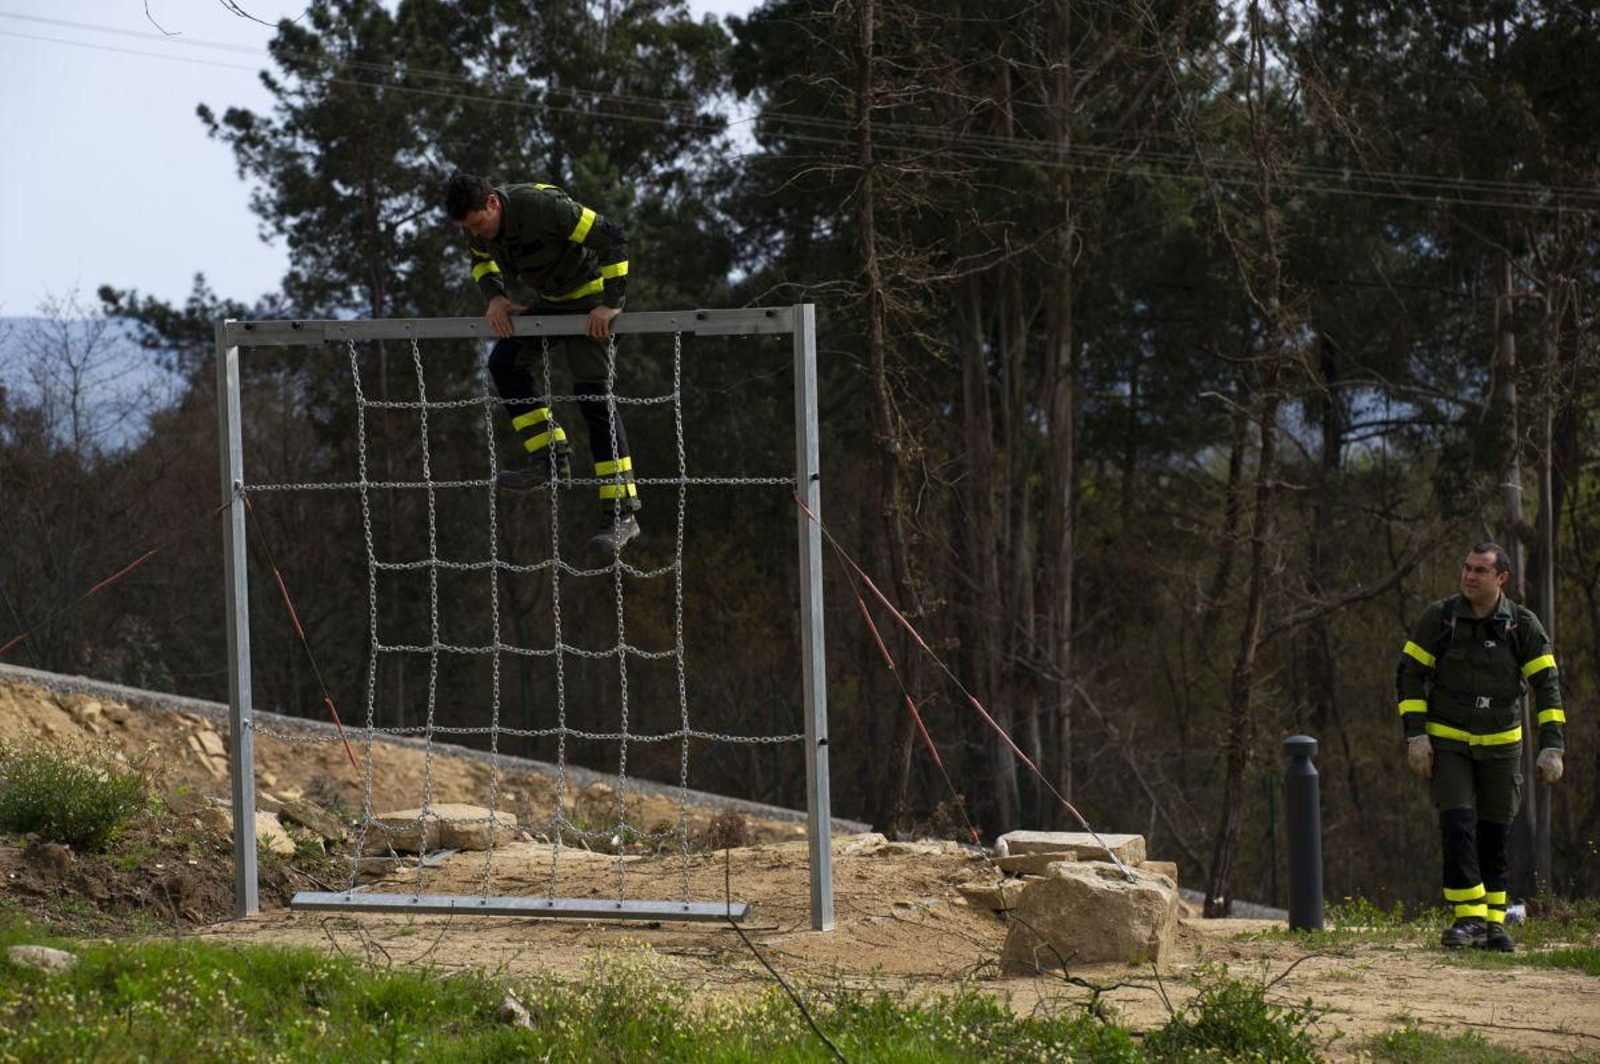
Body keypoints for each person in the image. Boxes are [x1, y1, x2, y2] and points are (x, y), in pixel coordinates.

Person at [444, 171, 641, 555]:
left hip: (591, 307)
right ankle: (550, 458)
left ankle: (622, 513)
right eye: (468, 228)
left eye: (480, 224)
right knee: (504, 364)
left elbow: (612, 236)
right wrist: (496, 298)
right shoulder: (475, 229)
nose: (477, 234)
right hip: (549, 306)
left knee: (593, 398)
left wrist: (611, 302)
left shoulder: (543, 206)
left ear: (493, 203)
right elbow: (482, 262)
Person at [1395, 542, 1566, 952]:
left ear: (1501, 579)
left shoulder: (1521, 625)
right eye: (1466, 568)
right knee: (1457, 826)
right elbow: (1409, 675)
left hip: (1502, 744)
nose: (1469, 576)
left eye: (1480, 571)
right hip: (1449, 739)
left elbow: (1547, 686)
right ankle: (1467, 917)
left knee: (1495, 832)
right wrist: (1416, 735)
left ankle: (1493, 922)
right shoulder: (1440, 618)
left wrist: (1553, 747)